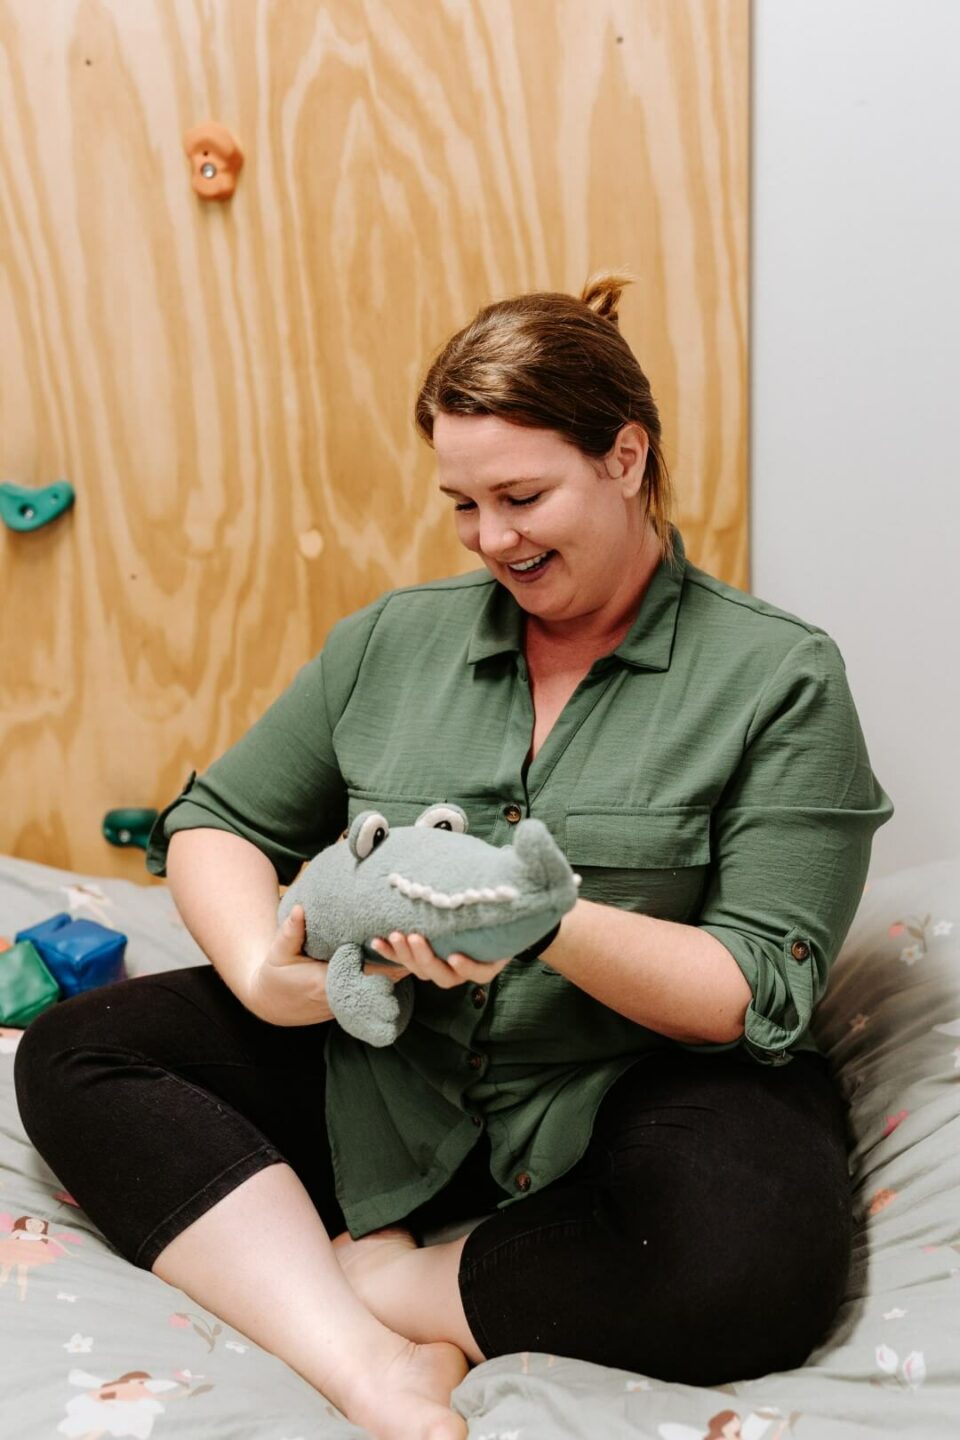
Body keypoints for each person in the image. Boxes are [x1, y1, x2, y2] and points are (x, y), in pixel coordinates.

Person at [15, 275, 893, 1440]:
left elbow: (750, 994)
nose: (493, 539)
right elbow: (218, 821)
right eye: (463, 505)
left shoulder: (778, 677)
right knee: (79, 1051)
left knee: (755, 1258)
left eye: (523, 496)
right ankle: (365, 1362)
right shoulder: (392, 640)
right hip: (389, 1075)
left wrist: (532, 916)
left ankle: (393, 1282)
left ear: (626, 459)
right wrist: (259, 978)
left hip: (623, 1089)